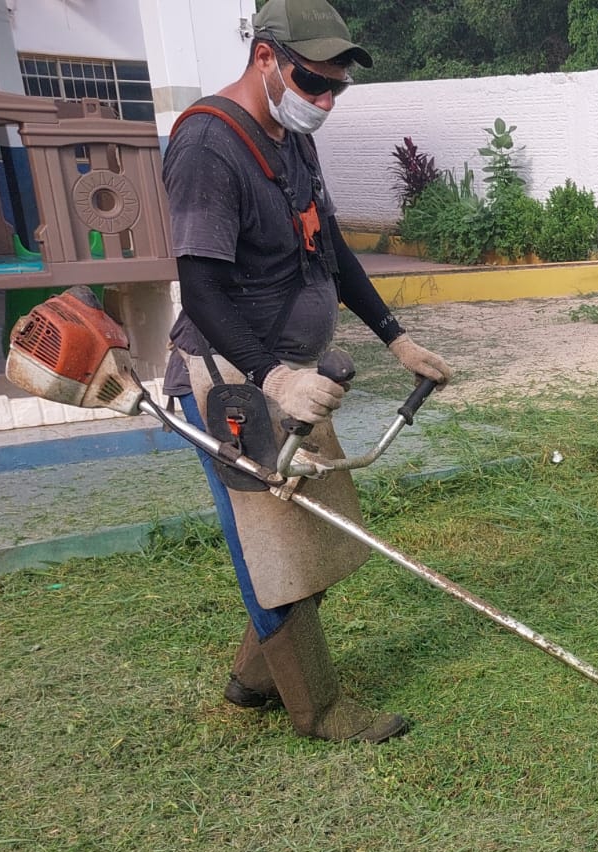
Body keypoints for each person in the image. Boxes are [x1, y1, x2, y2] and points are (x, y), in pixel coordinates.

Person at [162, 0, 449, 742]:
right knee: (275, 543)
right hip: (232, 383)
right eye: (311, 82)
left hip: (289, 375)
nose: (323, 100)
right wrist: (271, 378)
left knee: (312, 527)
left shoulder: (292, 139)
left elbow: (332, 250)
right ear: (265, 57)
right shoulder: (207, 145)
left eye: (336, 88)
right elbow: (201, 288)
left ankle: (252, 680)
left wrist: (396, 339)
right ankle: (318, 709)